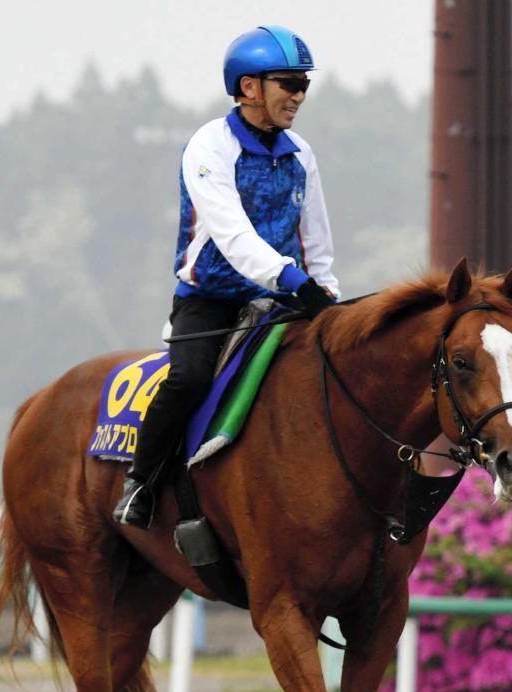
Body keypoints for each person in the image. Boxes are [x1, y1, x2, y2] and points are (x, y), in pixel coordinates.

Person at [114, 25, 339, 528]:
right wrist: (292, 279)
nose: (299, 95)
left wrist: (326, 293)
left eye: (304, 84)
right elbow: (234, 237)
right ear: (249, 87)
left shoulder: (302, 153)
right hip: (209, 299)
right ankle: (140, 484)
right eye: (288, 83)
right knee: (188, 378)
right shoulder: (209, 147)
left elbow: (315, 241)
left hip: (284, 300)